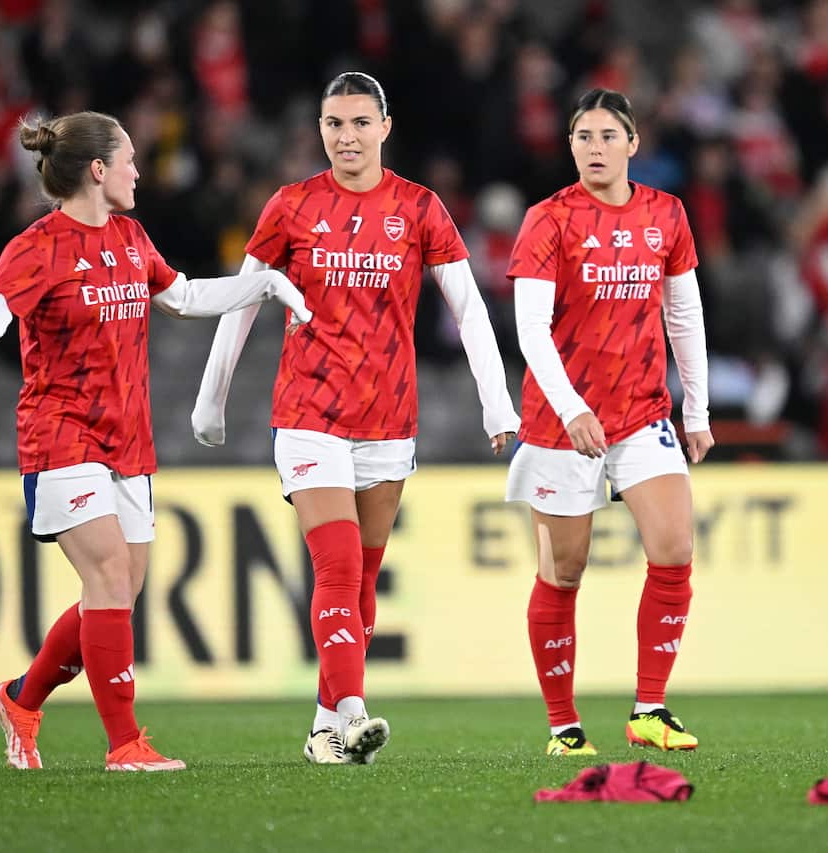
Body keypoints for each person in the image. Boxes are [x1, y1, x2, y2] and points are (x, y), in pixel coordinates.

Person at [0, 110, 312, 772]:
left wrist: (260, 283)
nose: (138, 171)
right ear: (98, 170)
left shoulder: (131, 235)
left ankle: (20, 698)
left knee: (115, 592)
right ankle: (126, 745)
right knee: (110, 576)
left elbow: (182, 297)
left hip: (128, 440)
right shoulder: (38, 247)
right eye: (129, 159)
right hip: (60, 432)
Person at [191, 72, 520, 765]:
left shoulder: (420, 208)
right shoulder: (291, 206)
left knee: (362, 585)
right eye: (334, 123)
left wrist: (498, 402)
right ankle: (353, 710)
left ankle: (321, 730)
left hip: (389, 420)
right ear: (320, 131)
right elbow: (243, 298)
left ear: (385, 128)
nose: (346, 136)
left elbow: (469, 308)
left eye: (359, 122)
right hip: (309, 414)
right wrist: (210, 398)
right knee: (337, 568)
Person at [505, 89, 713, 756]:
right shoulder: (548, 219)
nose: (594, 147)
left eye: (606, 135)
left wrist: (698, 409)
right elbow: (531, 329)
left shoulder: (666, 215)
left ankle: (649, 708)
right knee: (565, 571)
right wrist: (572, 408)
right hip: (562, 421)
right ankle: (563, 725)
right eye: (582, 137)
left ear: (633, 143)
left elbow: (683, 314)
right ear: (570, 147)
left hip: (642, 412)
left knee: (675, 547)